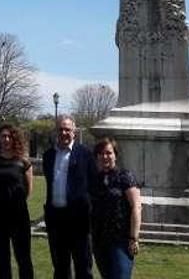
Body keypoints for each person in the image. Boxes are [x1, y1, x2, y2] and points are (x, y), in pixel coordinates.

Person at [42, 115, 98, 279]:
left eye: (68, 129)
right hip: (56, 220)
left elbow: (94, 184)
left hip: (79, 221)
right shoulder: (49, 155)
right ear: (56, 132)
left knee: (83, 266)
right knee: (60, 268)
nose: (64, 133)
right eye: (61, 129)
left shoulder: (85, 154)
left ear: (74, 132)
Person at [0, 124, 34, 279]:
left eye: (9, 136)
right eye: (2, 136)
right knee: (2, 259)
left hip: (19, 217)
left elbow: (28, 189)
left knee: (23, 258)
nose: (6, 139)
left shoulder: (23, 161)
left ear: (14, 139)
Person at [91, 138, 142, 279]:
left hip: (121, 241)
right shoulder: (95, 179)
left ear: (115, 155)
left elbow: (136, 207)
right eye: (101, 153)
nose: (105, 156)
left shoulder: (125, 176)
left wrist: (134, 238)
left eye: (109, 152)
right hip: (100, 240)